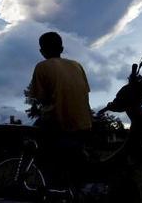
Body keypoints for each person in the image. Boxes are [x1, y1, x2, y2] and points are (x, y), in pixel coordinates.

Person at [27, 31, 92, 193]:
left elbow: (40, 99)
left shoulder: (42, 67)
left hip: (57, 125)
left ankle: (45, 183)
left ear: (42, 52)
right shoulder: (77, 65)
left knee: (32, 142)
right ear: (62, 48)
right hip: (83, 125)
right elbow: (85, 94)